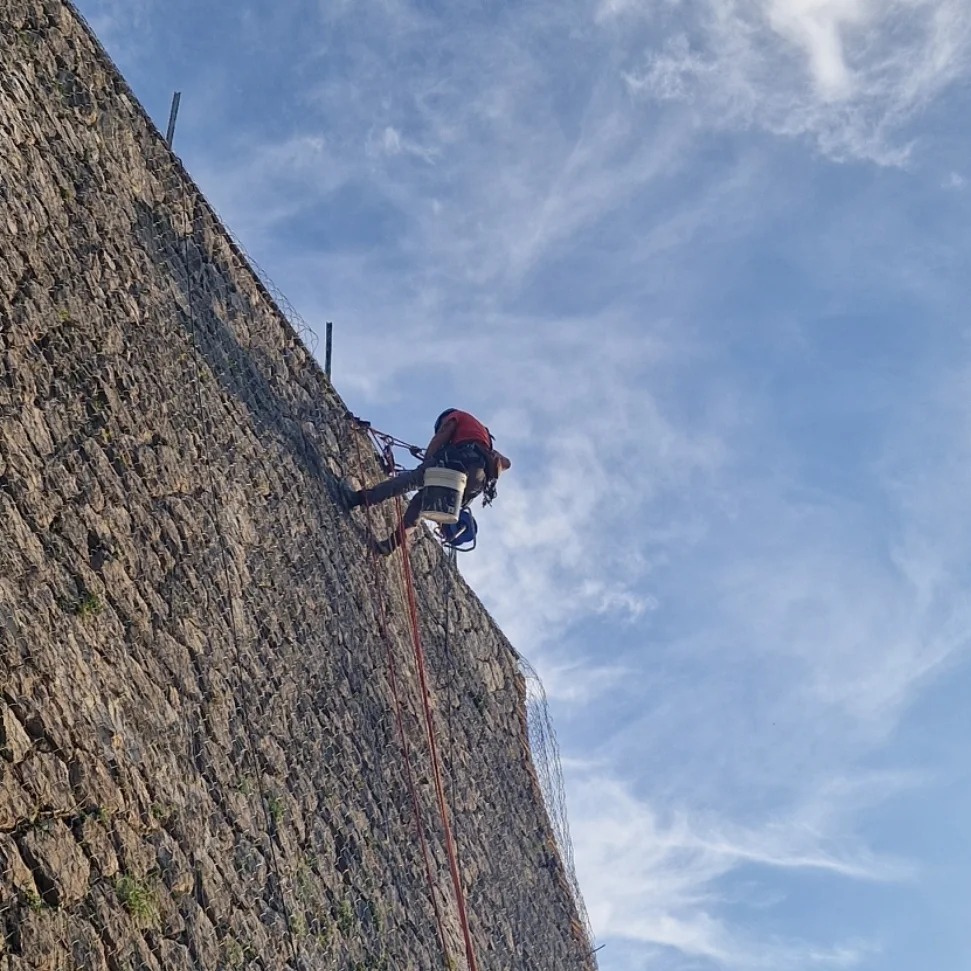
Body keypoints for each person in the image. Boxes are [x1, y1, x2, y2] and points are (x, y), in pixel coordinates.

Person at [340, 409, 511, 555]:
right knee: (420, 504)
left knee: (411, 481)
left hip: (459, 462)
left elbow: (443, 434)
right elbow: (506, 463)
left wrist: (428, 460)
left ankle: (359, 499)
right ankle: (389, 545)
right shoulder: (484, 438)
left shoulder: (456, 416)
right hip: (476, 482)